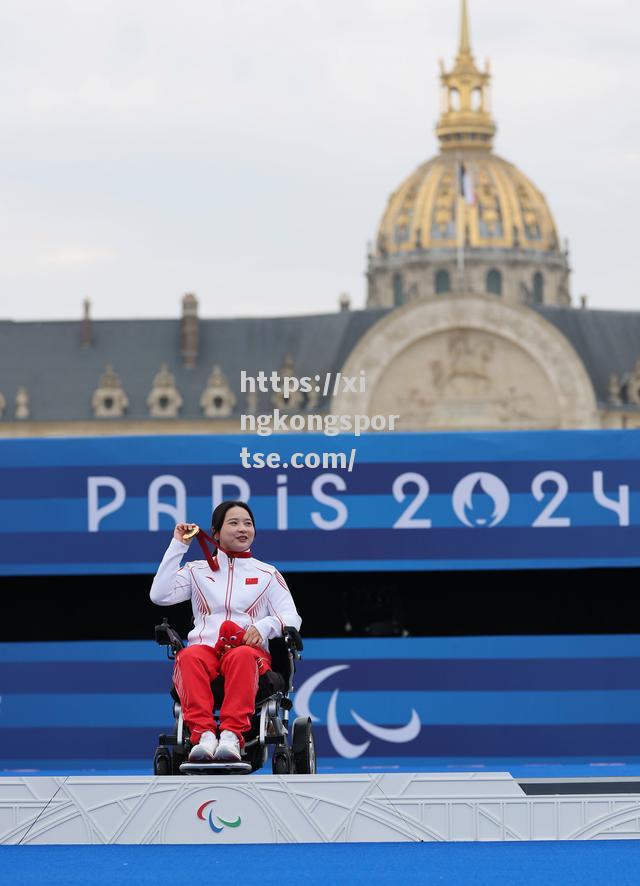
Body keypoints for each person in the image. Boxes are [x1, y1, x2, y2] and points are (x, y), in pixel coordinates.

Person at [150, 500, 301, 763]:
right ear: (215, 532)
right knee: (187, 656)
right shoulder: (197, 571)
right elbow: (159, 594)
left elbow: (292, 617)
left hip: (248, 655)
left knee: (241, 656)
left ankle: (231, 736)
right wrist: (179, 545)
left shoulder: (267, 573)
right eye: (234, 523)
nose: (243, 528)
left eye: (248, 523)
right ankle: (204, 735)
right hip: (206, 654)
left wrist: (263, 626)